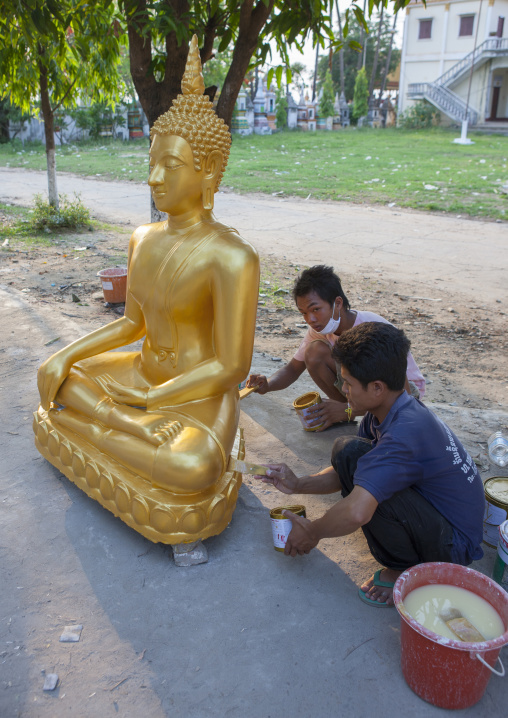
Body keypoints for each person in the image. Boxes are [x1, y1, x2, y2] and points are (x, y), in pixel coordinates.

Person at [35, 37, 259, 546]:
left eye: (171, 166)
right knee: (56, 379)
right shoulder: (143, 238)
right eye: (152, 162)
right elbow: (131, 324)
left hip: (195, 393)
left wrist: (154, 398)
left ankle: (95, 432)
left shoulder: (232, 256)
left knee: (193, 464)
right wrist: (65, 356)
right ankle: (118, 427)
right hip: (139, 377)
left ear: (208, 172)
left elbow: (231, 368)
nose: (155, 178)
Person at [256, 323, 484, 607]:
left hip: (451, 547)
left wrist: (312, 532)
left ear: (377, 388)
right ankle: (412, 560)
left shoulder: (405, 433)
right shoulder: (385, 411)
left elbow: (357, 512)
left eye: (348, 383)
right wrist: (299, 483)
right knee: (348, 450)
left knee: (358, 475)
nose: (342, 389)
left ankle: (406, 569)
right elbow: (350, 470)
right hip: (440, 521)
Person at [247, 265, 425, 430]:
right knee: (314, 352)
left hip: (403, 394)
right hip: (372, 391)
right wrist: (267, 384)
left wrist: (348, 410)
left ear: (338, 303)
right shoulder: (321, 329)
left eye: (316, 309)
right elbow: (293, 368)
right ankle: (348, 410)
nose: (310, 319)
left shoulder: (371, 329)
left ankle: (349, 411)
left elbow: (398, 388)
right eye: (304, 313)